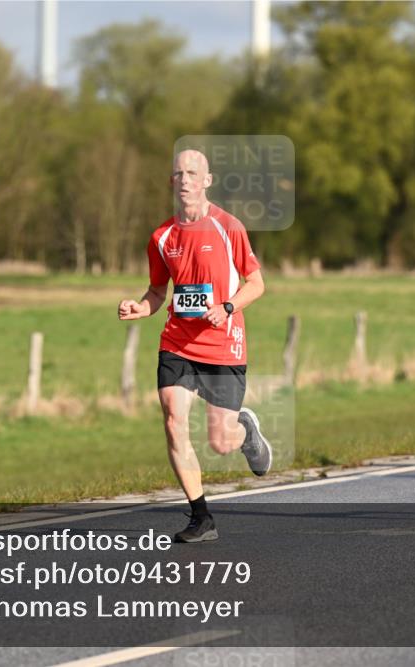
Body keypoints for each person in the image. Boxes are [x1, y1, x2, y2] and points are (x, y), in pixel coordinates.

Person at [117, 149, 272, 543]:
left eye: (192, 173)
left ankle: (245, 430)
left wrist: (228, 307)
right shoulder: (161, 237)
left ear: (207, 180)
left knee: (221, 443)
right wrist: (140, 307)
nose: (184, 180)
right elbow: (157, 291)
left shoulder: (228, 227)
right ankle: (201, 518)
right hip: (177, 342)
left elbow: (256, 284)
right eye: (178, 174)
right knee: (173, 419)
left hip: (222, 344)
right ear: (172, 182)